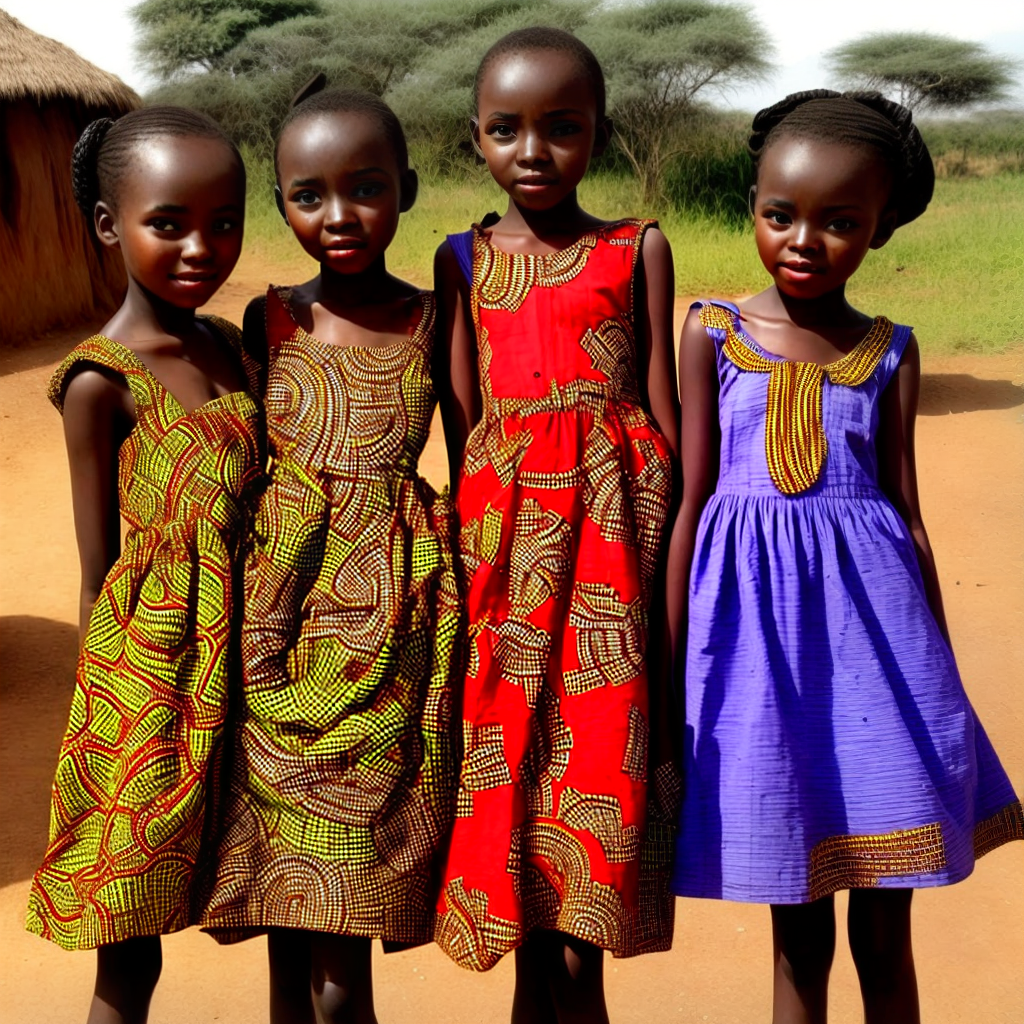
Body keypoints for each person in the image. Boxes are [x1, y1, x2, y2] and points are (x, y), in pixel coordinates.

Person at [670, 89, 1024, 1024]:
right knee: (798, 934)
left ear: (881, 228)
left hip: (880, 662)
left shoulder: (890, 351)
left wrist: (942, 676)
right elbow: (690, 503)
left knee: (884, 928)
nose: (803, 240)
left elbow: (909, 520)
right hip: (758, 670)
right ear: (752, 206)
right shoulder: (711, 333)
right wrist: (670, 658)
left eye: (840, 222)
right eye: (780, 214)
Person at [433, 27, 681, 1023]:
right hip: (506, 571)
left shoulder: (636, 247)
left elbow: (661, 414)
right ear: (476, 138)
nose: (532, 150)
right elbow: (464, 435)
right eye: (506, 128)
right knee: (510, 782)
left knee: (600, 779)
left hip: (616, 563)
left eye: (562, 127)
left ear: (599, 134)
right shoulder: (462, 259)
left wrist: (668, 580)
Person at [199, 78, 460, 1024]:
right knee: (284, 914)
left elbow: (473, 461)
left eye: (366, 188)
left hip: (395, 627)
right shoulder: (266, 321)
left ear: (408, 189)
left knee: (347, 943)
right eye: (309, 195)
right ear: (282, 204)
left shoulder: (436, 317)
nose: (339, 215)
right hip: (278, 624)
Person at [25, 108, 262, 1024]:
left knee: (270, 892)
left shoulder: (231, 347)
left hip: (253, 663)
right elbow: (99, 573)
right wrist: (109, 733)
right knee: (129, 940)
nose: (202, 247)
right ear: (107, 224)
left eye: (224, 222)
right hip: (151, 681)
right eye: (169, 223)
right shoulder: (101, 380)